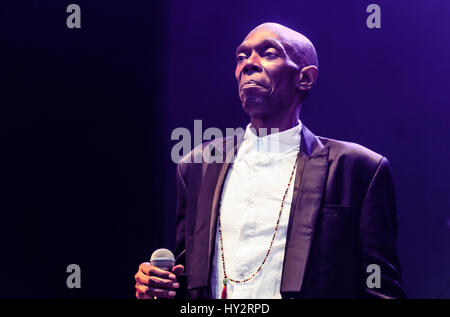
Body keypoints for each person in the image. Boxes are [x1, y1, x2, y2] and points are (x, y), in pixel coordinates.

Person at [134, 22, 406, 299]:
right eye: (241, 57)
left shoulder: (358, 169)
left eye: (269, 53)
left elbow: (380, 289)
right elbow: (188, 279)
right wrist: (158, 285)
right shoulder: (198, 166)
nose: (248, 65)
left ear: (305, 78)